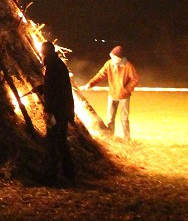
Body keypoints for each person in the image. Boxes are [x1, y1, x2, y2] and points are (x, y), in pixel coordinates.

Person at [38, 41, 76, 185]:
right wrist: (42, 87)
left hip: (57, 112)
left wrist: (48, 111)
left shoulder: (54, 67)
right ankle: (69, 172)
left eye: (43, 53)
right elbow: (53, 85)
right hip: (61, 111)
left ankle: (51, 175)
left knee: (53, 141)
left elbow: (56, 91)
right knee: (60, 141)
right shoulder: (56, 65)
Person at [83, 45, 139, 141]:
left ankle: (127, 138)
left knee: (124, 118)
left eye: (114, 57)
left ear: (119, 58)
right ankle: (110, 138)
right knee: (110, 118)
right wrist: (90, 84)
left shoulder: (128, 66)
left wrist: (126, 90)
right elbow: (100, 75)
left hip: (124, 96)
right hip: (112, 95)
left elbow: (135, 79)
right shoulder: (109, 64)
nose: (112, 59)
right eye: (111, 56)